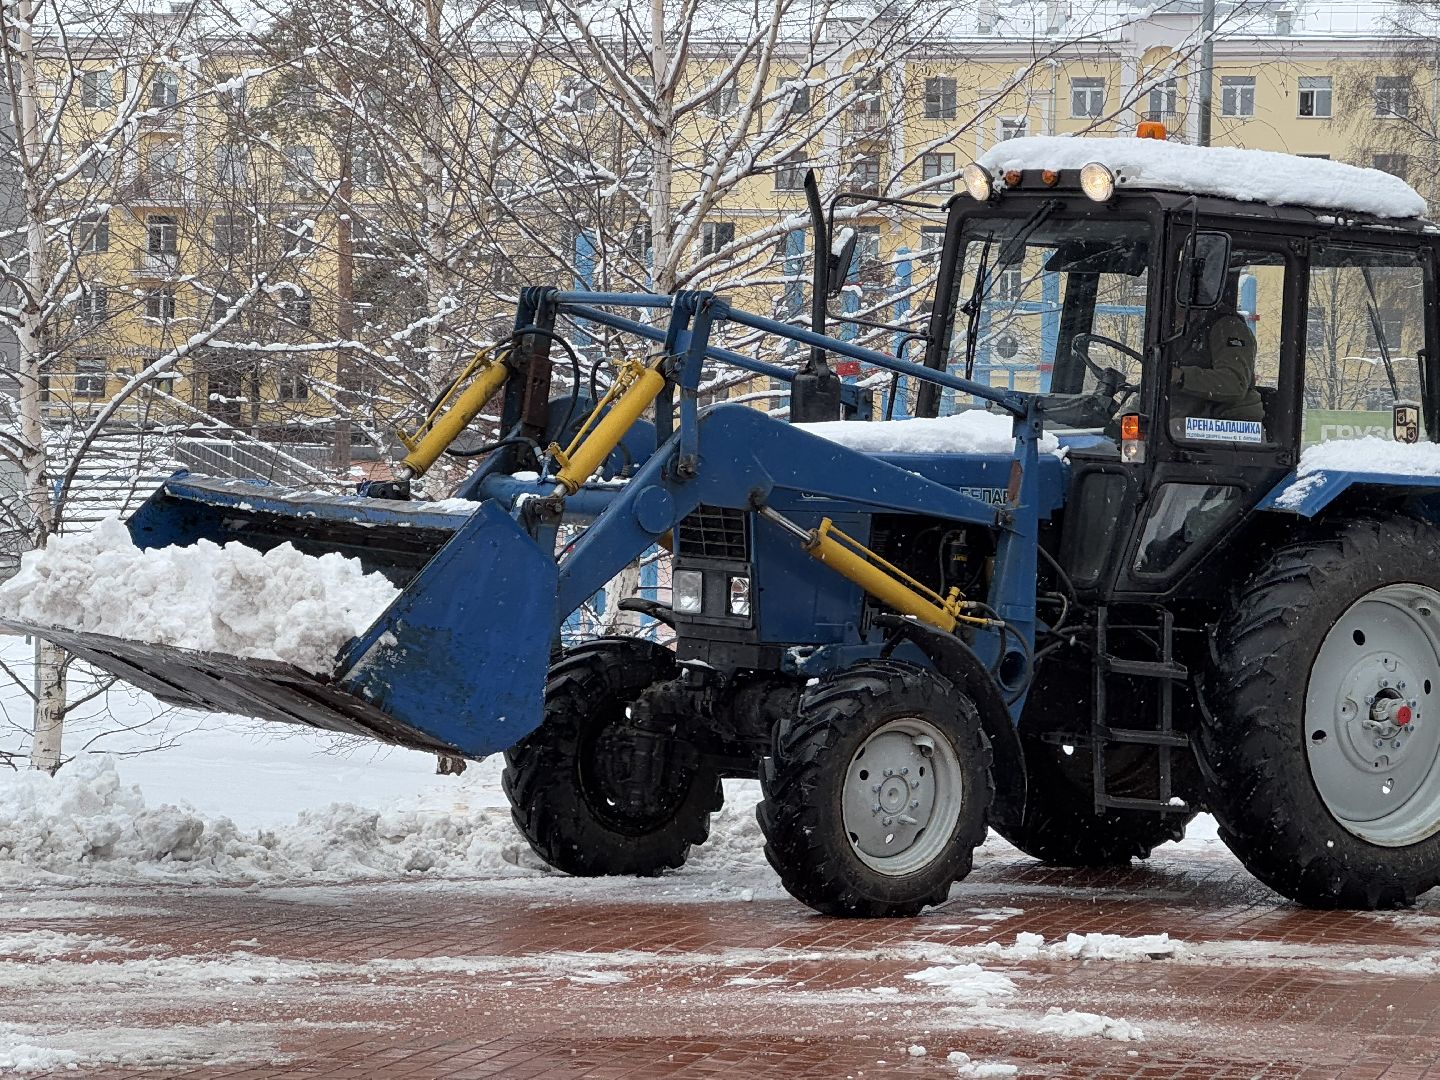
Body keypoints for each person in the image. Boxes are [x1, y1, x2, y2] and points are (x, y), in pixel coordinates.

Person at [1168, 293, 1265, 423]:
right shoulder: (1180, 333)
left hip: (1227, 423)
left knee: (1169, 427)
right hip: (1190, 418)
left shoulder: (1228, 327)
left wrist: (1181, 376)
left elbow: (1235, 383)